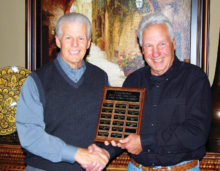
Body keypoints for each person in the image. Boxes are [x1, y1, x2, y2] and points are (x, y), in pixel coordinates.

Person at [89, 13, 212, 171]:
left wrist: (144, 142)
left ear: (173, 43)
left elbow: (196, 133)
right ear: (142, 49)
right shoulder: (133, 81)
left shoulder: (195, 79)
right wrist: (104, 152)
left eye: (162, 44)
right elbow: (121, 131)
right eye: (149, 46)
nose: (156, 53)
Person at [15, 12, 110, 171]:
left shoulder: (101, 78)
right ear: (58, 41)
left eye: (81, 38)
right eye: (68, 38)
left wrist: (106, 152)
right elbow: (30, 136)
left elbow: (109, 126)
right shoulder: (36, 81)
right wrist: (76, 154)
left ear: (88, 43)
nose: (75, 44)